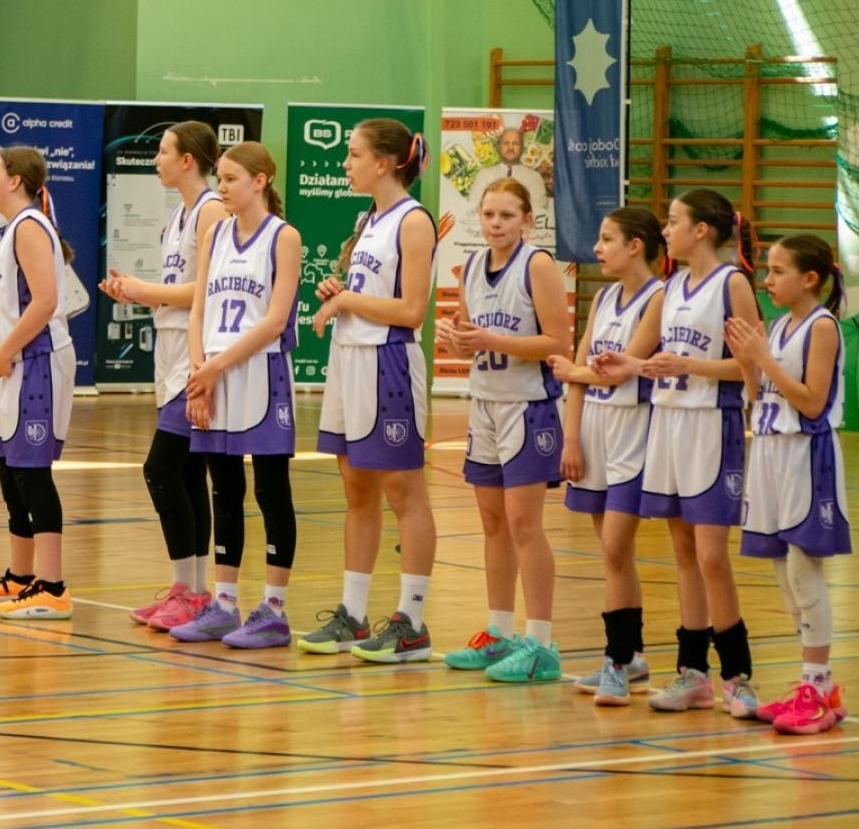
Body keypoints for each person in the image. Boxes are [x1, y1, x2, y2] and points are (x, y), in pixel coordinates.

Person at [593, 189, 763, 718]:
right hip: (668, 426)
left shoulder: (731, 283)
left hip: (712, 426)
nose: (666, 231)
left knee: (713, 556)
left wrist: (687, 367)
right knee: (684, 554)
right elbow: (649, 360)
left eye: (673, 222)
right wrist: (616, 364)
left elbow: (752, 366)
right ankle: (693, 674)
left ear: (702, 231)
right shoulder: (669, 290)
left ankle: (737, 676)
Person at [298, 120, 438, 666]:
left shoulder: (413, 220)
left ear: (384, 163)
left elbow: (410, 310)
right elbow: (366, 294)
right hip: (350, 360)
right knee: (356, 491)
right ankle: (352, 616)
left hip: (390, 363)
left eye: (353, 155)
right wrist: (341, 292)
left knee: (405, 495)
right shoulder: (366, 219)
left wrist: (348, 302)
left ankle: (413, 622)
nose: (345, 163)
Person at [436, 177, 571, 683]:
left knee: (523, 526)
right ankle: (498, 632)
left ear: (527, 221)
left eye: (507, 215)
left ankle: (540, 642)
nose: (496, 223)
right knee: (492, 525)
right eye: (489, 215)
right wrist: (456, 340)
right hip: (486, 404)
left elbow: (559, 342)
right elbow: (468, 344)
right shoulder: (471, 265)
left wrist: (491, 337)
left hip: (529, 406)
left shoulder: (537, 264)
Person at [170, 142, 301, 650]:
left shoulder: (283, 237)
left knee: (270, 491)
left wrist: (215, 368)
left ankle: (272, 611)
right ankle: (223, 605)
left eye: (229, 179)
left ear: (261, 180)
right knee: (223, 489)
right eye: (219, 179)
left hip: (258, 372)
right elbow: (198, 308)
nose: (220, 187)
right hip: (215, 373)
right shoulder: (215, 232)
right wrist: (199, 371)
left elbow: (273, 320)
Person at [98, 121, 223, 633]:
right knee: (187, 474)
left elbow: (208, 290)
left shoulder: (211, 210)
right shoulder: (177, 215)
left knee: (161, 469)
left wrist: (144, 289)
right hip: (169, 350)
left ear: (188, 159)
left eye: (164, 152)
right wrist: (135, 293)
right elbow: (178, 287)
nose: (156, 160)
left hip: (194, 353)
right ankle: (191, 591)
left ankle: (190, 591)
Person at [726, 235, 850, 734]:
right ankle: (814, 687)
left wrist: (765, 357)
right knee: (783, 573)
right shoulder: (777, 327)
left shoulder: (822, 327)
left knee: (803, 572)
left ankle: (817, 687)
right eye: (768, 270)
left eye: (777, 272)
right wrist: (746, 362)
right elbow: (762, 397)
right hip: (771, 450)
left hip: (807, 453)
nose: (768, 280)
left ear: (810, 278)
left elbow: (813, 402)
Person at [549, 206, 665, 703]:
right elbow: (579, 371)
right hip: (594, 430)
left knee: (616, 546)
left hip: (633, 433)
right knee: (611, 552)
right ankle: (631, 654)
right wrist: (570, 438)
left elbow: (618, 370)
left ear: (635, 245)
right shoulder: (603, 297)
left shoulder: (659, 297)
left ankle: (616, 661)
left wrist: (574, 373)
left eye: (606, 239)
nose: (597, 248)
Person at [0, 146, 79, 619]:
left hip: (39, 361)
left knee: (33, 474)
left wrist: (6, 349)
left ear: (14, 181)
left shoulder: (30, 226)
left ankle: (53, 587)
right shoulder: (13, 230)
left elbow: (46, 301)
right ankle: (20, 576)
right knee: (12, 475)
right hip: (16, 360)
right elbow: (10, 303)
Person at [473, 125, 548, 214]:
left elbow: (538, 211)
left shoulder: (534, 177)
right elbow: (473, 206)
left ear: (522, 148)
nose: (511, 147)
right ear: (498, 147)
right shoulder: (483, 174)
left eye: (516, 143)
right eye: (506, 143)